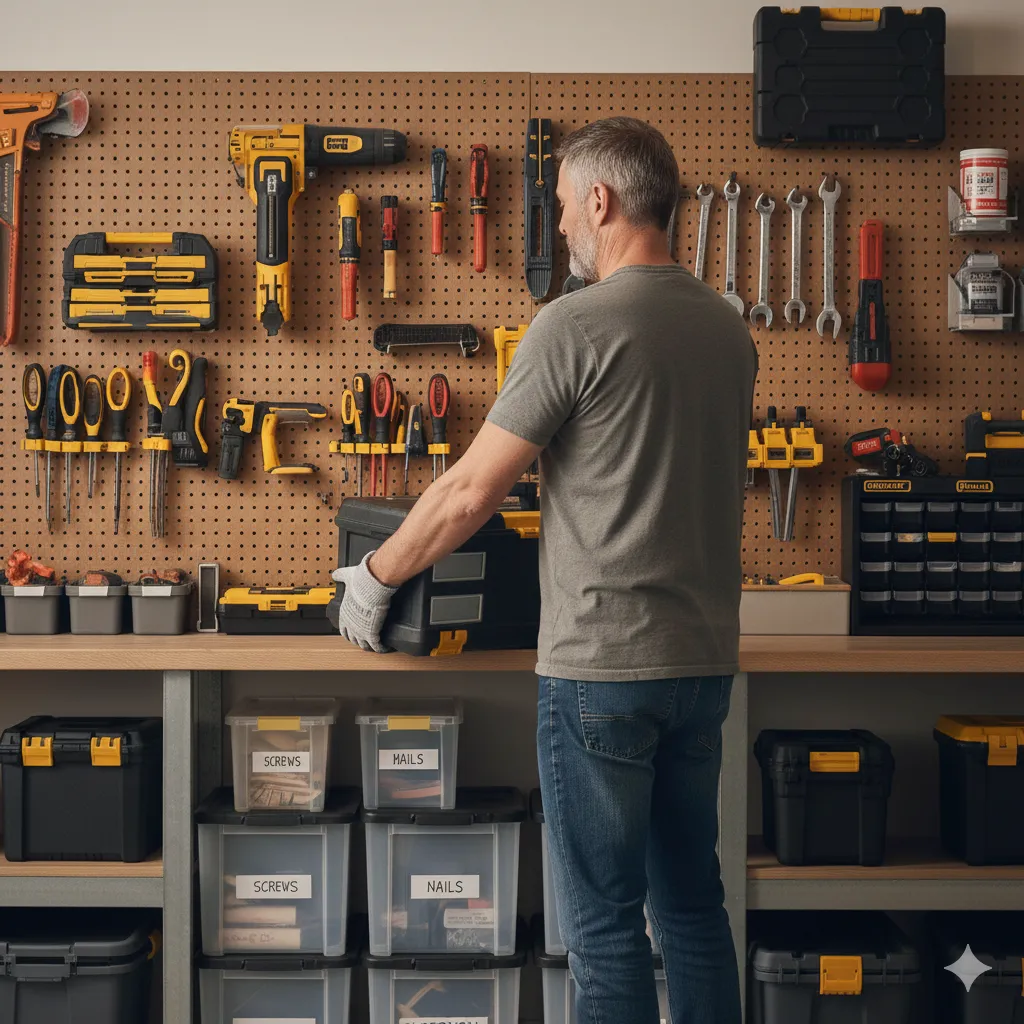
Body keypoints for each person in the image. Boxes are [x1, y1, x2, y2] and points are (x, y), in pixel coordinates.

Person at [333, 116, 757, 1024]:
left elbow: (471, 492)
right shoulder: (727, 328)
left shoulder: (573, 324)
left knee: (602, 925)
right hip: (702, 664)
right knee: (690, 908)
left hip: (601, 669)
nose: (561, 225)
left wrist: (374, 576)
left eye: (564, 206)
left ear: (600, 201)